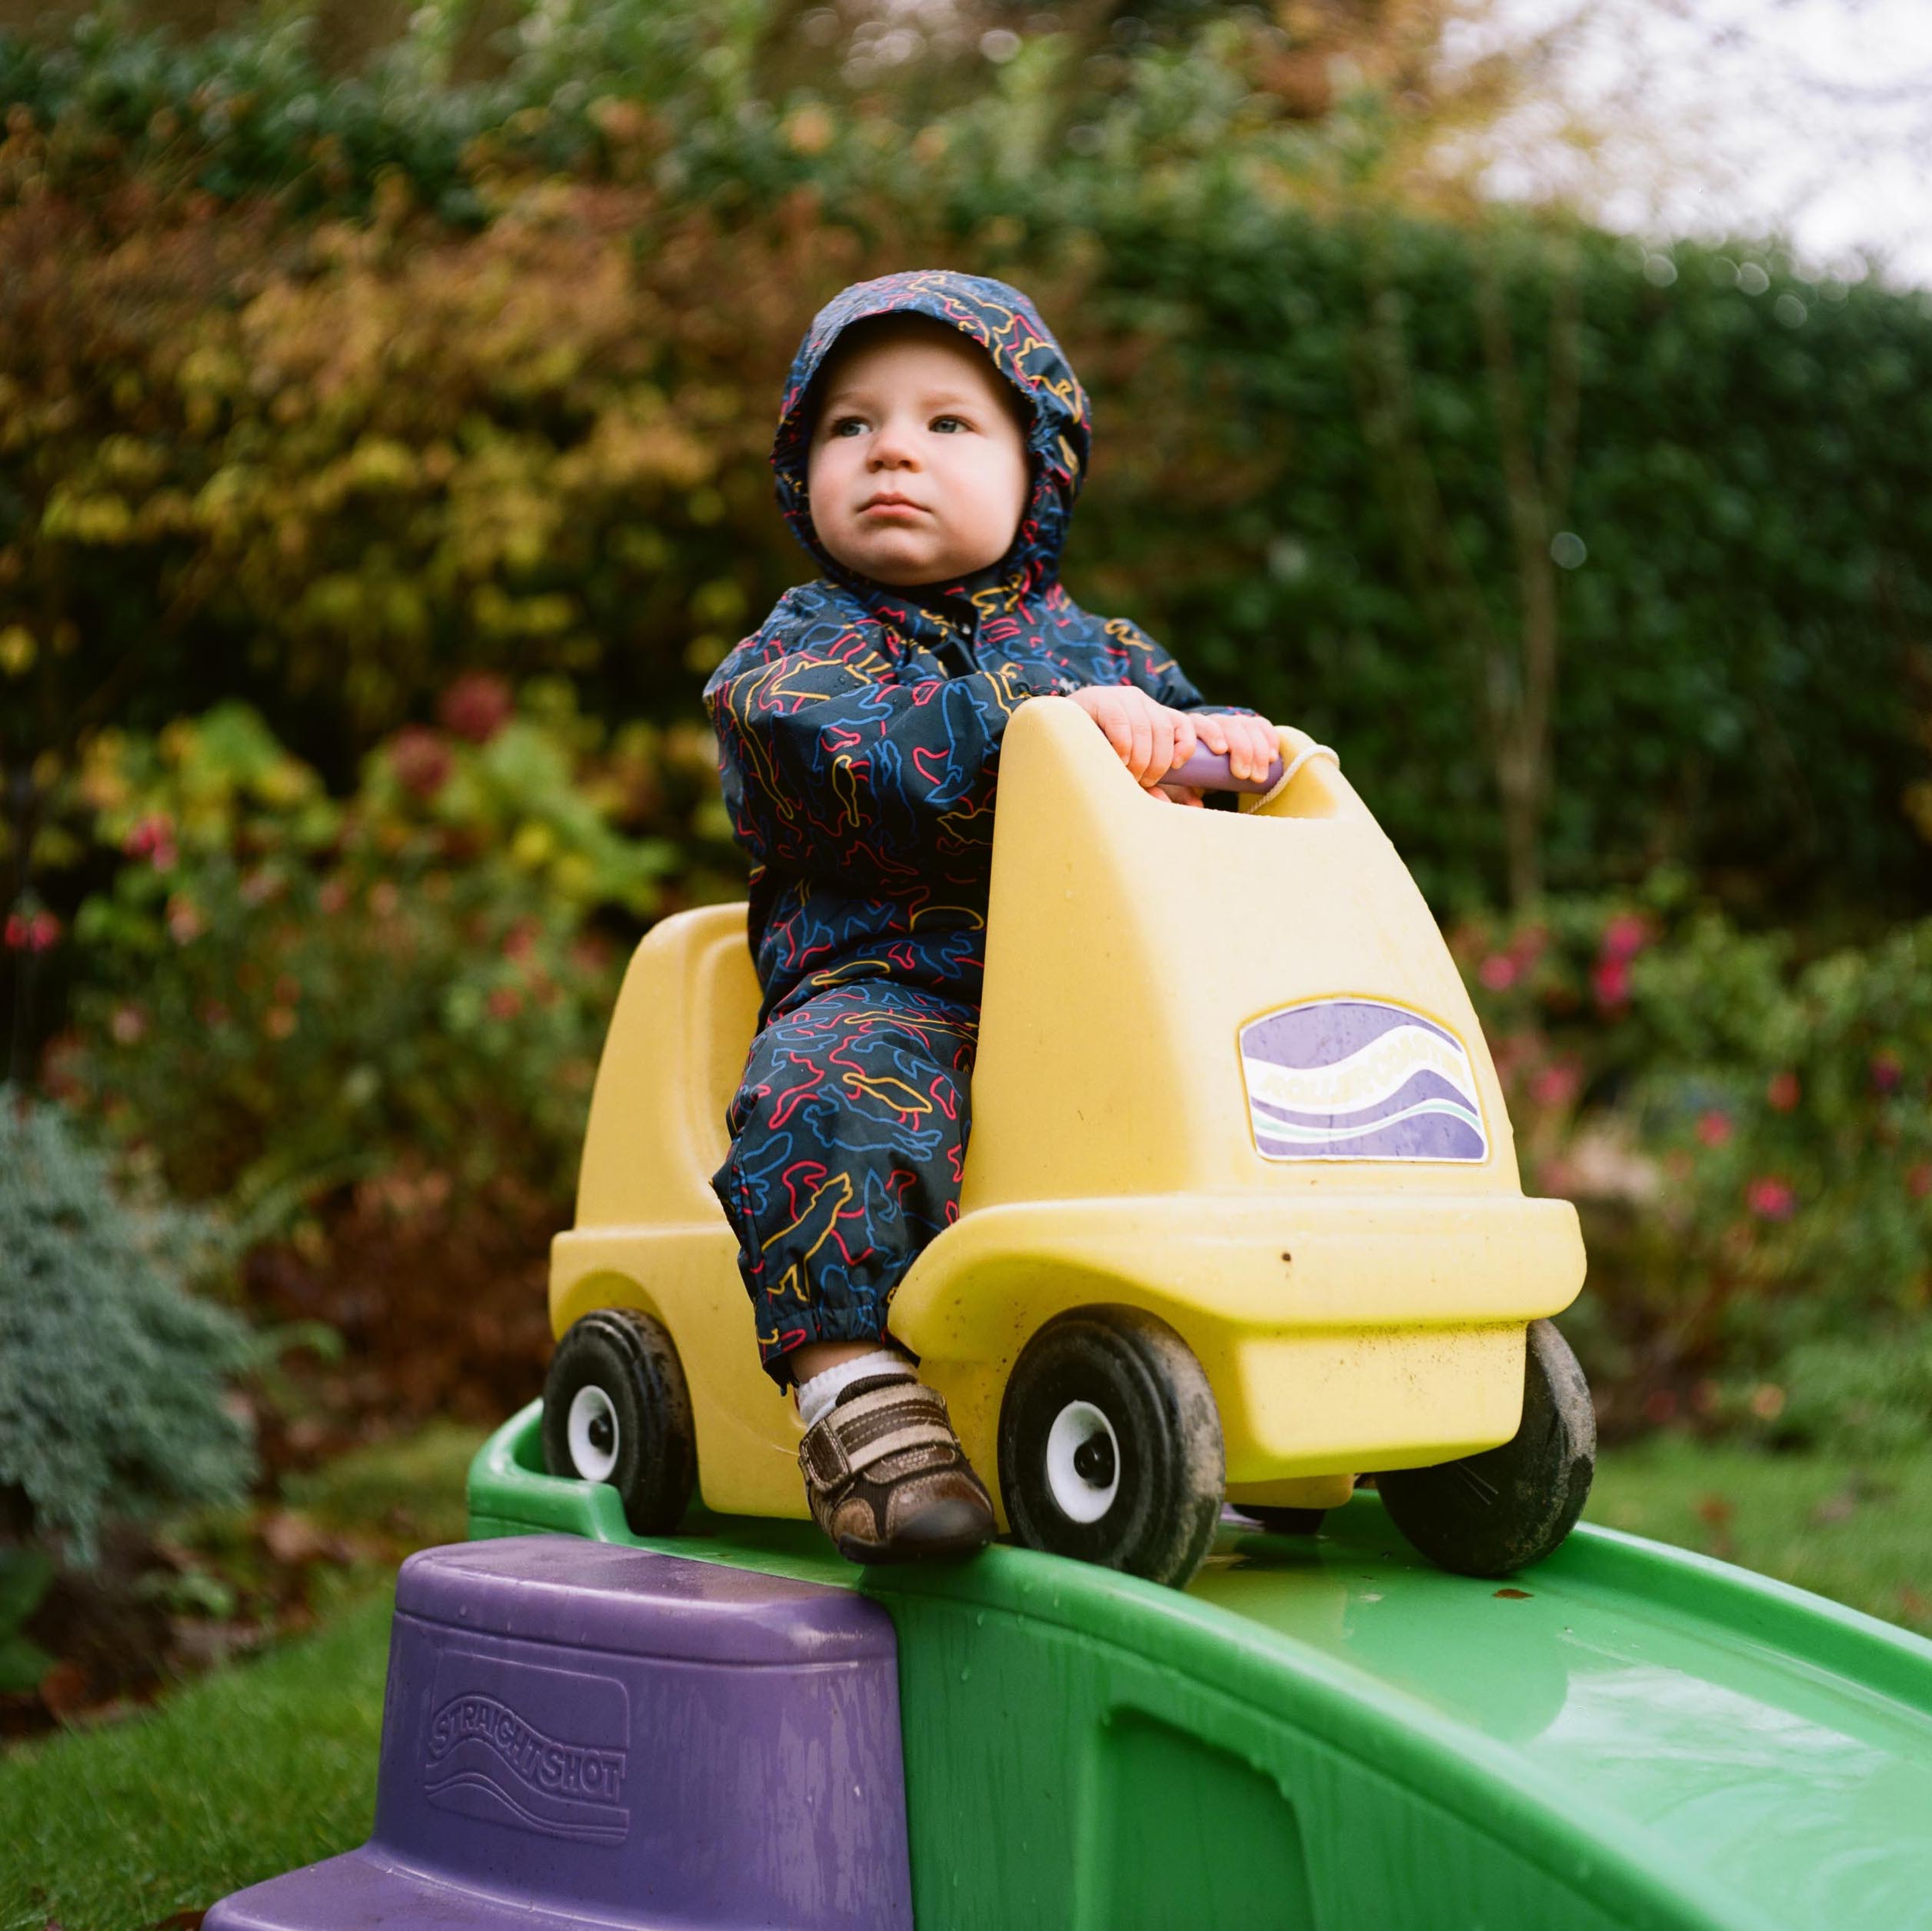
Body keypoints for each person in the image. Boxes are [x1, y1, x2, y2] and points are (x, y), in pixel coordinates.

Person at [702, 270, 1277, 1564]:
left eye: (948, 424)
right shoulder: (802, 654)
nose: (892, 447)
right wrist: (1037, 728)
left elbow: (1205, 790)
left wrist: (1234, 755)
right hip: (905, 990)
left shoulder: (1114, 652)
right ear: (805, 470)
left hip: (1112, 1001)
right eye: (851, 426)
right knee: (825, 1094)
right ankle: (854, 1391)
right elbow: (868, 766)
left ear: (1042, 471)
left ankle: (1277, 1374)